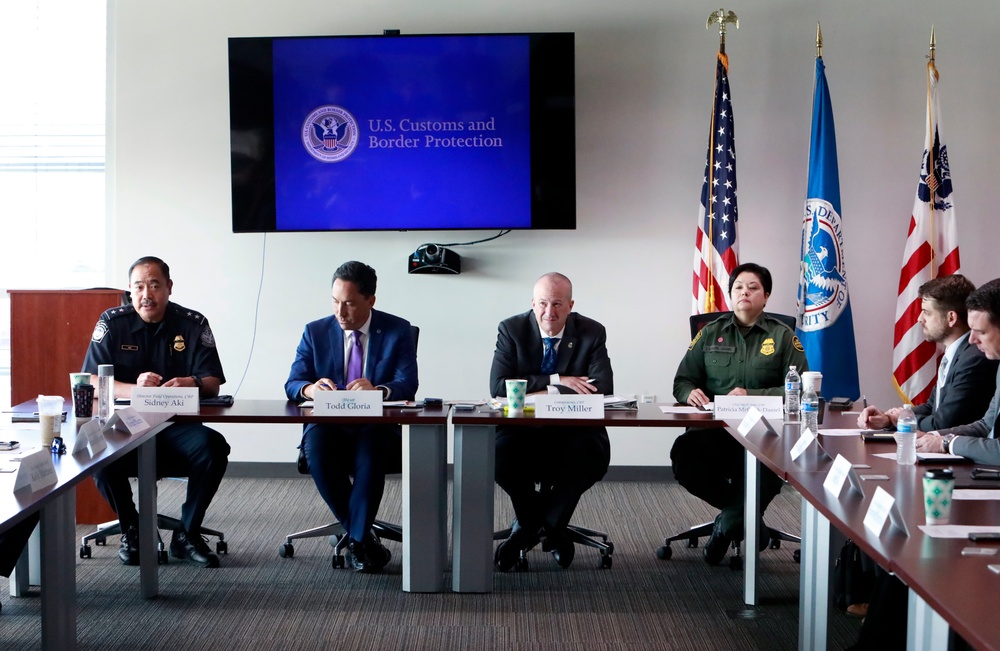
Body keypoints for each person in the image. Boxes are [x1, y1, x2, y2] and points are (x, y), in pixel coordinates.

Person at [82, 256, 230, 568]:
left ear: (169, 288)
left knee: (213, 447)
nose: (146, 294)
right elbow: (90, 381)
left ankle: (187, 534)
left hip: (176, 426)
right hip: (125, 424)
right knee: (97, 450)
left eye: (154, 285)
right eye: (138, 287)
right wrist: (134, 389)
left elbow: (213, 383)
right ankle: (132, 528)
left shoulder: (192, 323)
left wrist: (190, 382)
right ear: (129, 290)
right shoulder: (112, 322)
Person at [284, 261, 418, 574]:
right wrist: (310, 389)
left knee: (371, 457)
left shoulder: (397, 330)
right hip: (327, 423)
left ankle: (358, 538)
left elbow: (407, 383)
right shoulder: (315, 331)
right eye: (334, 302)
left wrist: (379, 390)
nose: (340, 312)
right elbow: (292, 383)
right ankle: (363, 539)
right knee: (316, 452)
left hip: (375, 424)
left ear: (370, 301)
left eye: (349, 304)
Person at [671, 262, 809, 565]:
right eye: (738, 288)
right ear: (731, 294)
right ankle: (744, 519)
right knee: (685, 459)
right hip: (714, 431)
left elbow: (800, 391)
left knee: (769, 474)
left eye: (753, 287)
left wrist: (753, 395)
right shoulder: (710, 333)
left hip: (764, 435)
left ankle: (727, 525)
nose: (745, 292)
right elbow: (682, 381)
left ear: (766, 296)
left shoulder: (784, 337)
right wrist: (688, 393)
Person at [490, 272, 613, 571]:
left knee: (587, 456)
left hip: (576, 432)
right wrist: (559, 381)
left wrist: (537, 388)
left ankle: (530, 529)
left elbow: (603, 387)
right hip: (522, 432)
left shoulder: (591, 332)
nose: (549, 312)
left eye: (557, 303)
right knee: (498, 454)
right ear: (533, 303)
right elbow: (498, 386)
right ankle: (550, 528)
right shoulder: (512, 328)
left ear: (570, 305)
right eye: (542, 303)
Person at [858, 274, 997, 431]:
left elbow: (943, 423)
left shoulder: (974, 358)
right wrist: (888, 418)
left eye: (926, 312)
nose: (919, 318)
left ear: (951, 318)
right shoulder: (956, 353)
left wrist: (899, 420)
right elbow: (933, 406)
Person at [917, 278, 1000, 460]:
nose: (972, 340)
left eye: (982, 332)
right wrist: (936, 438)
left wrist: (948, 443)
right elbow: (986, 425)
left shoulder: (976, 358)